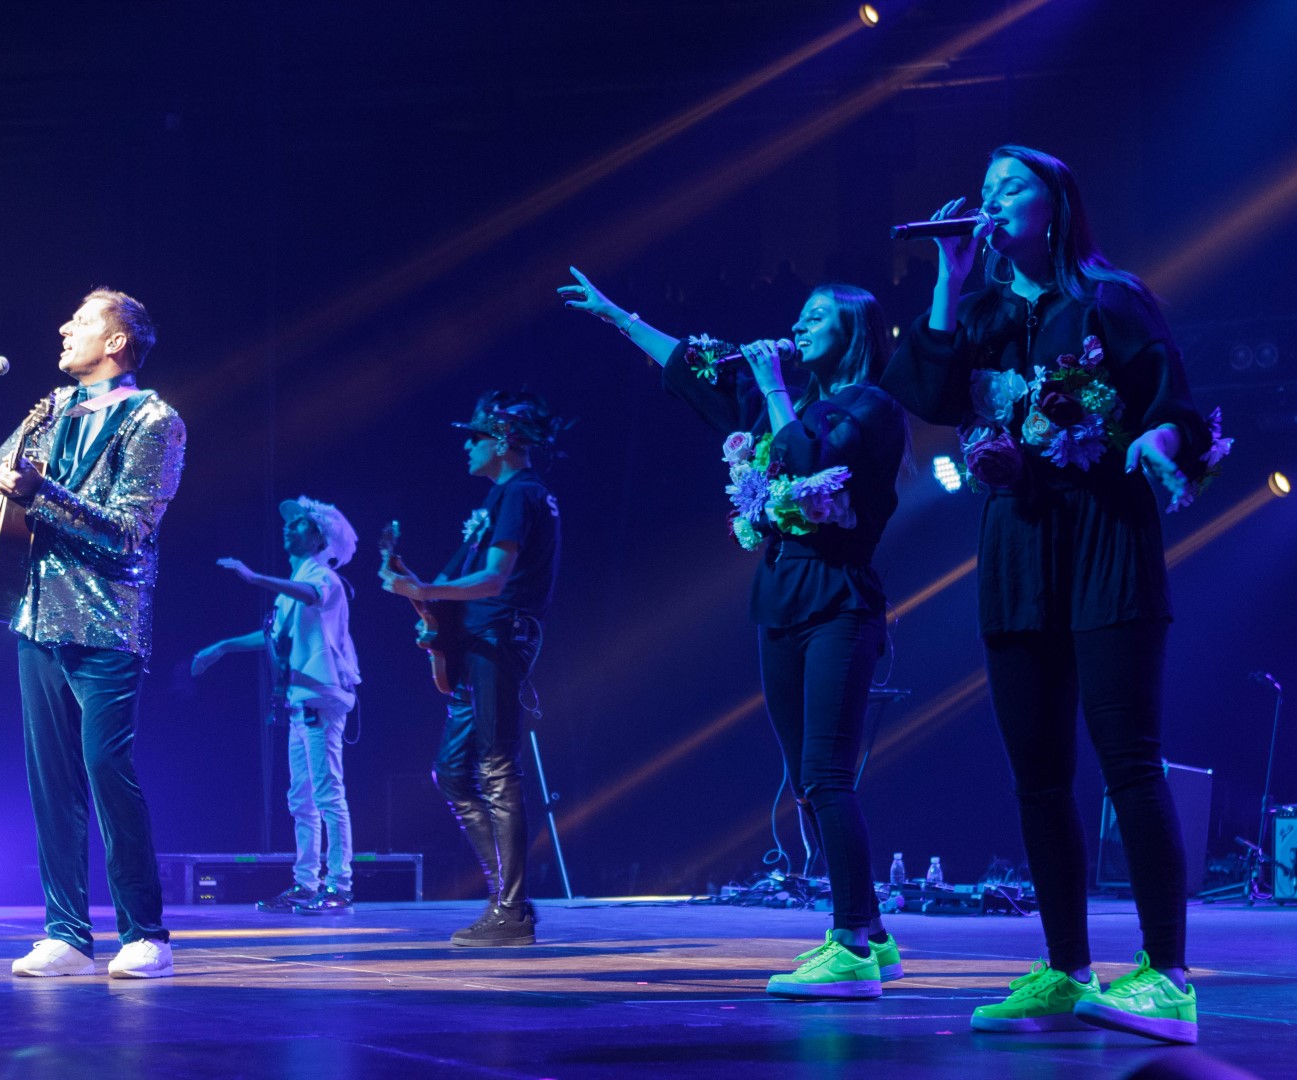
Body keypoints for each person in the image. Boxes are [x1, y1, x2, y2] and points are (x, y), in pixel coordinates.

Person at [882, 145, 1225, 1044]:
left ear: (1056, 203)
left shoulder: (1110, 299)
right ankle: (1067, 968)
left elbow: (1175, 406)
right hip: (1019, 551)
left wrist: (1157, 443)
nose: (992, 200)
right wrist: (949, 278)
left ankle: (1167, 976)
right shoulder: (983, 315)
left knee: (1129, 761)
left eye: (1012, 187)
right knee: (1037, 777)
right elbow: (926, 394)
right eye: (985, 190)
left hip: (1105, 537)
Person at [560, 269, 909, 1000]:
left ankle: (850, 943)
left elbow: (809, 459)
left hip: (839, 601)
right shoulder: (788, 400)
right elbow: (694, 368)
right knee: (806, 783)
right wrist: (618, 316)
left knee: (827, 775)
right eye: (801, 314)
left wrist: (774, 384)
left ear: (853, 330)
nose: (800, 324)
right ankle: (872, 935)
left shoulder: (871, 407)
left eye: (818, 316)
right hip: (780, 598)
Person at [0, 288, 185, 979]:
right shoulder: (53, 409)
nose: (64, 327)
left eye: (82, 320)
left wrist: (40, 494)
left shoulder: (154, 419)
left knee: (106, 770)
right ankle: (66, 934)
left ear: (116, 342)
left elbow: (129, 530)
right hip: (36, 615)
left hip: (107, 621)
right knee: (50, 781)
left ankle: (146, 934)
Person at [379, 391, 563, 948]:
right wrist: (423, 596)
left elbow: (494, 579)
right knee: (454, 772)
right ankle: (506, 899)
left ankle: (512, 910)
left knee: (497, 767)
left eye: (476, 437)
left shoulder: (521, 493)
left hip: (500, 638)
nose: (467, 446)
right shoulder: (501, 498)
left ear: (502, 442)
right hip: (480, 640)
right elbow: (455, 584)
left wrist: (423, 590)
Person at [192, 496, 362, 915]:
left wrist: (254, 578)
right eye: (289, 523)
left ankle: (339, 885)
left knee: (327, 793)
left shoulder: (323, 577)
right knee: (300, 798)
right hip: (299, 700)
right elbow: (271, 635)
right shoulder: (297, 583)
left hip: (320, 697)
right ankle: (306, 883)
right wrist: (223, 646)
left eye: (300, 523)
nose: (288, 527)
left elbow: (311, 595)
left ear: (319, 538)